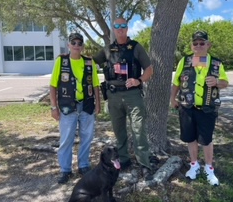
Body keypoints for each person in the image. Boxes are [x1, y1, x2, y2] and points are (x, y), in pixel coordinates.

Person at [93, 17, 154, 180]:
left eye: (123, 26)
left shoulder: (135, 47)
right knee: (119, 130)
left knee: (138, 129)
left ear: (127, 28)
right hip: (113, 96)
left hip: (132, 94)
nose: (120, 29)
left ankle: (144, 163)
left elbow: (149, 69)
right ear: (113, 29)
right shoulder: (107, 49)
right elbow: (90, 63)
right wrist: (71, 55)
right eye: (117, 26)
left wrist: (139, 80)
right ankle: (124, 160)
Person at [170, 30, 229, 186]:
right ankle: (194, 165)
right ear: (192, 45)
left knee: (206, 139)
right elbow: (176, 81)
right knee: (190, 138)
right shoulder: (185, 60)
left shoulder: (216, 63)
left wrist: (216, 81)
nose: (198, 46)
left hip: (207, 108)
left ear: (208, 45)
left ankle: (209, 169)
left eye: (202, 43)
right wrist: (172, 98)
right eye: (195, 43)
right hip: (187, 107)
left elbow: (225, 83)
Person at [49, 32, 101, 184]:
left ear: (83, 46)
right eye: (74, 43)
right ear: (69, 45)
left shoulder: (89, 62)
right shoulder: (61, 61)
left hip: (87, 105)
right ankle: (65, 170)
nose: (77, 46)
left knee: (87, 137)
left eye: (79, 43)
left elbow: (96, 85)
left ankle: (83, 166)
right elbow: (53, 85)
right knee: (66, 139)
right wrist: (53, 107)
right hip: (67, 106)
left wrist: (98, 103)